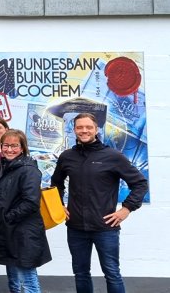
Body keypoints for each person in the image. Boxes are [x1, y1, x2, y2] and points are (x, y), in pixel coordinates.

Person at [51, 113, 148, 293]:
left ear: (96, 129)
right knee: (81, 273)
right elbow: (56, 183)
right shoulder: (67, 157)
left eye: (88, 127)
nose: (84, 130)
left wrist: (126, 209)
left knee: (112, 273)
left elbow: (140, 183)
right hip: (76, 227)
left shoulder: (112, 156)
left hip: (105, 228)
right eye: (80, 127)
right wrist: (58, 206)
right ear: (74, 130)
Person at [0, 130, 51, 293]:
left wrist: (7, 218)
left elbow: (31, 202)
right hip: (11, 231)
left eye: (14, 146)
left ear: (23, 148)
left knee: (28, 280)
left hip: (24, 232)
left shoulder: (28, 170)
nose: (9, 149)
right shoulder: (8, 167)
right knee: (15, 280)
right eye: (6, 145)